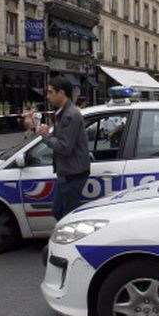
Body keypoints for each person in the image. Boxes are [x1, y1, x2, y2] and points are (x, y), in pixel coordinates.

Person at [37, 77, 90, 222]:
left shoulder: (70, 115)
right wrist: (42, 131)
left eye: (50, 92)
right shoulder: (62, 113)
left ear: (61, 93)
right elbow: (58, 137)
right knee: (59, 211)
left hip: (73, 175)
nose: (47, 97)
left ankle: (70, 242)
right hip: (67, 174)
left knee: (67, 217)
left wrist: (45, 136)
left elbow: (64, 147)